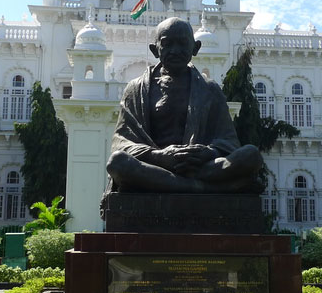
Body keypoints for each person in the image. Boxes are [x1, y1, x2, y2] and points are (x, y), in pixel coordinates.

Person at [106, 17, 262, 193]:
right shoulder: (136, 89)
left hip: (200, 166)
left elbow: (228, 141)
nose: (175, 50)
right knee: (117, 162)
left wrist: (208, 153)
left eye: (182, 43)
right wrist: (159, 156)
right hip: (156, 165)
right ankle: (198, 187)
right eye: (167, 43)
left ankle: (178, 184)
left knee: (251, 155)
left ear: (195, 48)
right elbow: (121, 143)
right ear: (155, 49)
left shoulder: (210, 90)